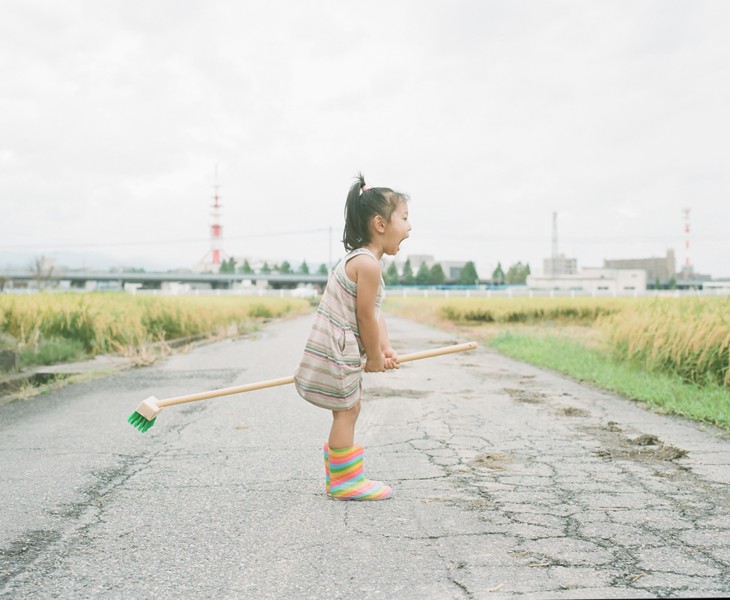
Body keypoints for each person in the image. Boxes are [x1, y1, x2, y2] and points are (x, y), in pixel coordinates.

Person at [294, 173, 411, 500]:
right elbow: (363, 317)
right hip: (337, 347)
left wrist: (384, 348)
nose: (409, 227)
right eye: (404, 218)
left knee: (349, 408)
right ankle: (345, 483)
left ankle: (341, 478)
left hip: (341, 345)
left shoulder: (366, 262)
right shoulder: (367, 264)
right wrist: (373, 356)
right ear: (380, 224)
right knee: (347, 410)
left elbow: (374, 312)